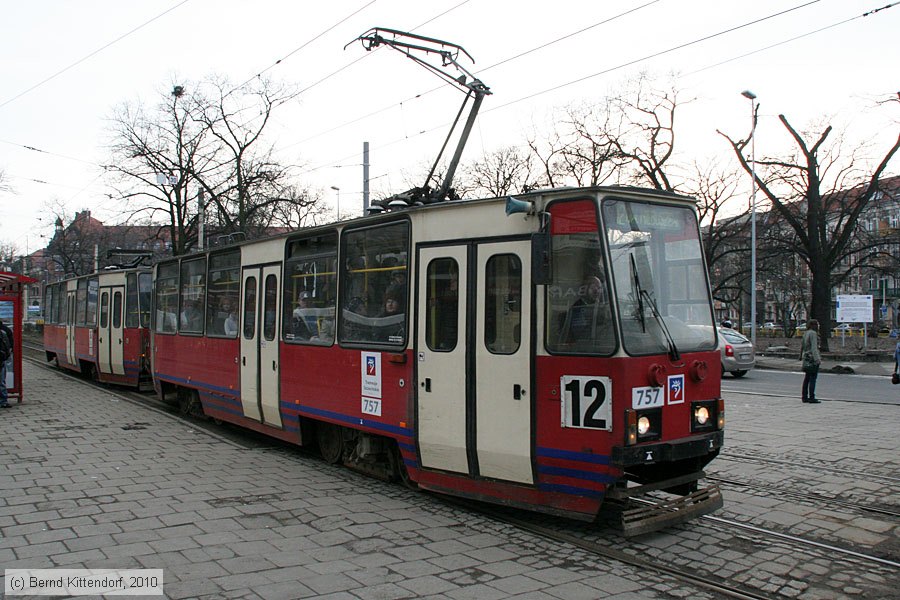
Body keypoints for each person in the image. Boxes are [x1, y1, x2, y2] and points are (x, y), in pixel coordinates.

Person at [562, 275, 611, 349]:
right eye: (593, 288)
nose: (597, 291)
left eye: (599, 288)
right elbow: (580, 332)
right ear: (584, 290)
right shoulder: (577, 308)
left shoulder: (600, 306)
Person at [800, 319, 822, 403]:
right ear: (814, 325)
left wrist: (800, 356)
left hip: (806, 357)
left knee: (807, 378)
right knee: (813, 378)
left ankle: (804, 397)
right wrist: (817, 359)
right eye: (817, 325)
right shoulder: (813, 333)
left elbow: (802, 346)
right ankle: (812, 397)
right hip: (812, 358)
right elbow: (814, 348)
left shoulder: (806, 333)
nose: (818, 326)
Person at [0, 318, 14, 408]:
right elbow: (10, 345)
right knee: (1, 381)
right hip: (1, 360)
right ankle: (3, 401)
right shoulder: (5, 330)